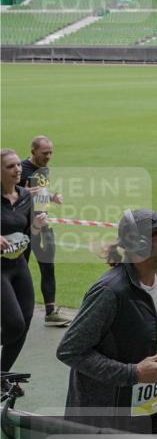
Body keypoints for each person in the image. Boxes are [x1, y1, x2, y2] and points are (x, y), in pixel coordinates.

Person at [57, 208, 157, 437]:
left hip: (147, 405)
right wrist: (133, 373)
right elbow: (70, 351)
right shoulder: (109, 291)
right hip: (105, 417)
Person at [2, 149, 48, 378]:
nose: (17, 169)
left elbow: (29, 232)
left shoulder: (25, 196)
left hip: (18, 265)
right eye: (10, 166)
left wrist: (38, 225)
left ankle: (1, 375)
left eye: (17, 165)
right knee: (14, 325)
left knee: (26, 321)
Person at [20, 135, 70, 326]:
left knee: (48, 267)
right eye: (44, 153)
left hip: (43, 224)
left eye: (50, 153)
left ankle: (50, 312)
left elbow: (38, 194)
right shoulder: (20, 169)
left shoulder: (44, 168)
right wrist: (24, 193)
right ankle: (14, 309)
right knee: (19, 268)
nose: (48, 156)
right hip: (23, 227)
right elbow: (11, 196)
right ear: (33, 151)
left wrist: (51, 197)